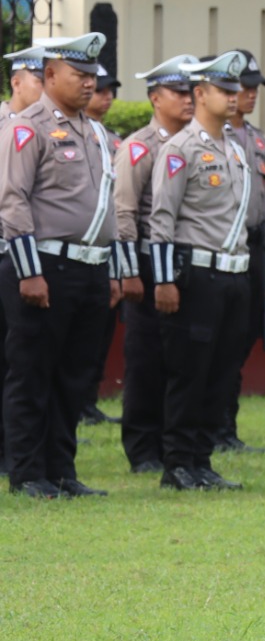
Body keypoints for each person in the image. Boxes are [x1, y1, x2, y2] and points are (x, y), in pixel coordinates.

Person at [0, 32, 120, 498]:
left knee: (74, 375)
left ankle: (62, 470)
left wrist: (109, 269)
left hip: (89, 269)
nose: (90, 84)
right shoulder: (26, 128)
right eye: (80, 75)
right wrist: (29, 272)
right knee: (32, 372)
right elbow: (13, 202)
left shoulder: (94, 132)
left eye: (93, 76)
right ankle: (28, 472)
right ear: (50, 76)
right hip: (43, 267)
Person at [146, 52, 255, 492]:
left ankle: (203, 459)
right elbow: (161, 219)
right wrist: (164, 280)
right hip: (197, 276)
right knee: (189, 372)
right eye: (223, 90)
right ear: (200, 93)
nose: (233, 98)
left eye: (234, 90)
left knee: (221, 373)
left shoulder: (236, 147)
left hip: (233, 275)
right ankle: (177, 463)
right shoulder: (180, 149)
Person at [114, 54, 198, 474]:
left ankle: (174, 442)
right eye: (179, 92)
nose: (188, 100)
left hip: (187, 265)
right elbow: (124, 212)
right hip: (148, 263)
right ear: (154, 98)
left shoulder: (198, 145)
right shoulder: (140, 147)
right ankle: (143, 446)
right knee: (146, 356)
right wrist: (129, 271)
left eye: (191, 92)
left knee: (181, 358)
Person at [213, 50, 265, 454]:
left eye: (253, 88)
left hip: (252, 246)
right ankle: (211, 426)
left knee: (241, 336)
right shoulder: (213, 137)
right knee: (216, 340)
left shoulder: (255, 139)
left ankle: (226, 427)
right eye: (241, 86)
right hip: (220, 246)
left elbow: (262, 201)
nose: (248, 94)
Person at [0, 46, 48, 477]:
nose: (45, 87)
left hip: (19, 255)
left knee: (18, 356)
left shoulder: (44, 130)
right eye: (39, 79)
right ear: (17, 82)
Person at [81, 64, 123, 426]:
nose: (105, 96)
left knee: (97, 333)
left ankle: (87, 400)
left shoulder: (112, 140)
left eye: (110, 90)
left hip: (104, 251)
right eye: (100, 90)